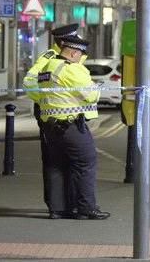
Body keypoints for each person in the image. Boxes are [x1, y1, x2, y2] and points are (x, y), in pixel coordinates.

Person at [28, 35, 110, 220]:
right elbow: (90, 96)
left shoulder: (47, 67)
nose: (81, 58)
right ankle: (86, 208)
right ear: (73, 52)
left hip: (50, 127)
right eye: (80, 54)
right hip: (71, 126)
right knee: (86, 163)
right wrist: (96, 88)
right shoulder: (72, 70)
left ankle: (57, 209)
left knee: (56, 166)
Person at [22, 23, 81, 219]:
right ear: (64, 42)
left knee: (73, 160)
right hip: (51, 115)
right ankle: (57, 207)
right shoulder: (48, 58)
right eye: (74, 39)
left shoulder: (74, 56)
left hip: (72, 114)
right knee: (54, 160)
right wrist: (47, 100)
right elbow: (29, 81)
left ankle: (72, 205)